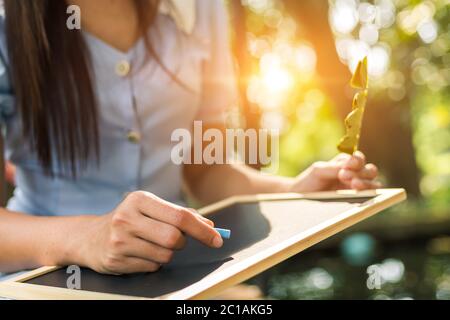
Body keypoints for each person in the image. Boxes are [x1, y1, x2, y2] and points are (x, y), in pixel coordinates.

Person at [0, 0, 380, 275]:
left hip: (176, 277)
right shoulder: (8, 21)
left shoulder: (203, 10)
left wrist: (293, 193)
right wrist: (83, 238)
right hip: (40, 278)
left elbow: (205, 169)